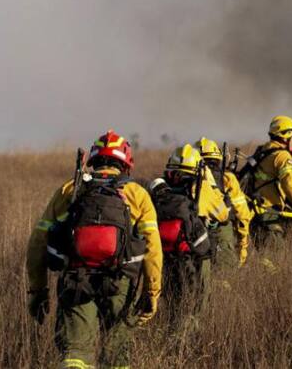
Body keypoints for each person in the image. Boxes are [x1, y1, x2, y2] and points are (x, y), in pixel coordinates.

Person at [25, 130, 162, 369]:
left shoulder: (70, 190)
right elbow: (153, 249)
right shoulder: (137, 194)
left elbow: (37, 242)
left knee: (75, 355)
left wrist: (38, 291)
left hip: (76, 282)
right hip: (120, 283)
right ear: (125, 163)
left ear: (93, 160)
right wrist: (152, 293)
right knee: (118, 355)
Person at [155, 144, 229, 319]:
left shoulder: (159, 190)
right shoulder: (201, 188)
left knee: (172, 298)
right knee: (198, 300)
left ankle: (171, 327)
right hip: (197, 253)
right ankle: (190, 334)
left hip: (165, 254)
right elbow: (223, 215)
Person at [242, 115, 292, 246]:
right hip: (270, 213)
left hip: (255, 211)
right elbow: (290, 185)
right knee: (275, 254)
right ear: (285, 136)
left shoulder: (262, 150)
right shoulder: (282, 156)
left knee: (264, 256)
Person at [194, 137, 253, 268]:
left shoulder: (185, 178)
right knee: (224, 274)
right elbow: (243, 214)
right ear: (218, 158)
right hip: (220, 231)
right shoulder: (227, 178)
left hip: (192, 233)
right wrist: (243, 245)